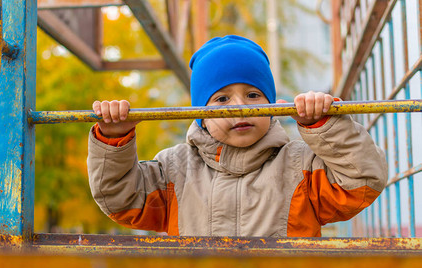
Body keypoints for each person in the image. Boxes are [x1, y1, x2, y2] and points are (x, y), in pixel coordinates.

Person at [87, 35, 387, 237]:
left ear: (271, 104)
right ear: (200, 114)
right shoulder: (174, 169)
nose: (240, 107)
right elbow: (119, 198)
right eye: (221, 99)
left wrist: (323, 125)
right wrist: (114, 138)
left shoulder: (301, 166)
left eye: (254, 94)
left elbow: (362, 181)